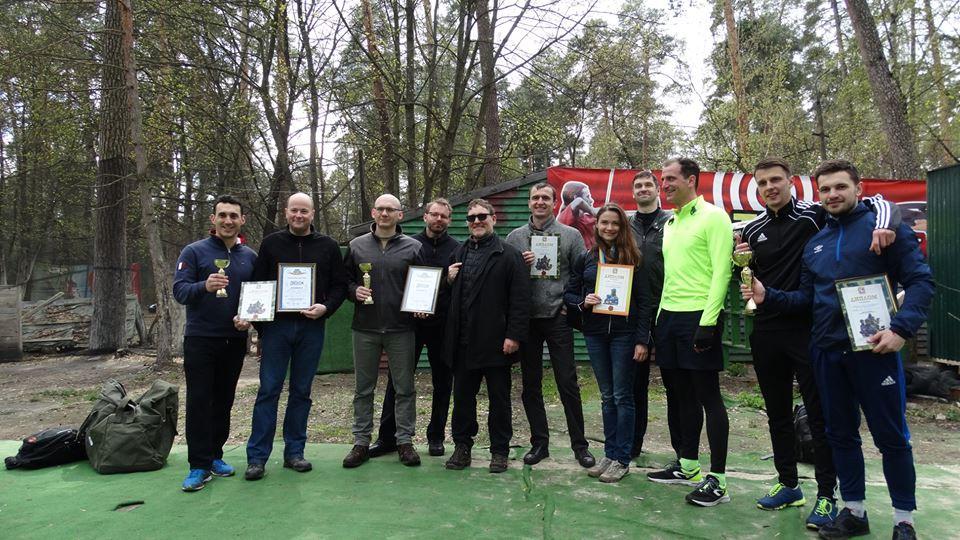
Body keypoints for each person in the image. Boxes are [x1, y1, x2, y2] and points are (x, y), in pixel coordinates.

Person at [742, 159, 933, 540]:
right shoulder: (816, 244)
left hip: (875, 353)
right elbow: (805, 299)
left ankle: (903, 519)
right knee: (840, 435)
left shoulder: (882, 229)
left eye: (840, 187)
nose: (832, 195)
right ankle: (854, 511)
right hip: (827, 353)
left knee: (892, 438)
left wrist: (901, 329)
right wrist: (767, 295)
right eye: (826, 189)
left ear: (858, 189)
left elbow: (920, 282)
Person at [646, 158, 733, 507]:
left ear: (691, 180)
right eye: (662, 179)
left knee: (708, 396)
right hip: (668, 319)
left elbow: (722, 273)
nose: (664, 185)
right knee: (680, 395)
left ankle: (719, 480)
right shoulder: (670, 223)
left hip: (700, 317)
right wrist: (658, 320)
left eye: (670, 179)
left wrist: (708, 323)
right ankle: (688, 465)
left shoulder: (714, 217)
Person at [244, 193, 348, 480]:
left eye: (304, 211)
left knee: (301, 391)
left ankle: (294, 452)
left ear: (312, 214)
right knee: (268, 390)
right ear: (286, 212)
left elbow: (340, 286)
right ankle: (257, 458)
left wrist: (326, 308)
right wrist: (262, 327)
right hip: (276, 329)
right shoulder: (271, 244)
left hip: (311, 328)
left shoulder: (328, 246)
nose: (298, 215)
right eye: (294, 210)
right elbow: (257, 284)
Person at [505, 183, 595, 469]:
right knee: (530, 384)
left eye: (545, 198)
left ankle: (580, 446)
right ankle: (539, 443)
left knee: (567, 382)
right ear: (529, 203)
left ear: (555, 203)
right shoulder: (515, 237)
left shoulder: (570, 235)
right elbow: (506, 277)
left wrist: (573, 303)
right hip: (527, 320)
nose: (540, 202)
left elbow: (581, 273)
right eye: (535, 198)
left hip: (558, 316)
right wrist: (519, 265)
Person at [173, 195, 257, 492]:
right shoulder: (194, 251)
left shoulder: (250, 257)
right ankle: (198, 465)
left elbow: (256, 296)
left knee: (224, 400)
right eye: (222, 215)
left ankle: (215, 455)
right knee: (199, 401)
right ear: (213, 219)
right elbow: (180, 291)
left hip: (234, 340)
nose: (228, 221)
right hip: (200, 339)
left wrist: (249, 319)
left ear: (242, 220)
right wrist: (204, 286)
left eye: (233, 215)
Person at [564, 203, 651, 482]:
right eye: (604, 223)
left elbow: (645, 302)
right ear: (597, 225)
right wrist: (583, 301)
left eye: (615, 223)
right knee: (607, 396)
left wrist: (642, 340)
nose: (609, 228)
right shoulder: (586, 257)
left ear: (622, 226)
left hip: (625, 335)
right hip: (596, 333)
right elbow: (569, 294)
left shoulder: (634, 258)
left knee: (623, 396)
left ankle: (622, 459)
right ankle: (609, 454)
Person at [368, 198, 459, 458]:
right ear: (425, 216)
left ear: (449, 220)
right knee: (397, 381)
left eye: (443, 216)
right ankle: (388, 437)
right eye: (434, 214)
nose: (438, 219)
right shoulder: (408, 244)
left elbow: (458, 287)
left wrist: (448, 281)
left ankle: (436, 437)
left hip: (442, 324)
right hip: (409, 324)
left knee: (443, 382)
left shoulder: (457, 249)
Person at [444, 199, 530, 473]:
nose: (477, 221)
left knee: (499, 400)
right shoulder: (458, 253)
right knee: (463, 400)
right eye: (472, 218)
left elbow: (520, 300)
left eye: (482, 216)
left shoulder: (509, 255)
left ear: (494, 219)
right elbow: (447, 298)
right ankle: (462, 446)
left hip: (496, 343)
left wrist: (513, 335)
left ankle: (499, 451)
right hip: (463, 342)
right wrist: (448, 280)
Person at [341, 194, 426, 468]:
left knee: (405, 388)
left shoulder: (414, 247)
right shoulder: (356, 246)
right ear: (373, 213)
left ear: (400, 214)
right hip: (364, 328)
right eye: (381, 209)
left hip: (401, 328)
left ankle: (405, 442)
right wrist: (354, 290)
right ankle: (360, 443)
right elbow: (344, 281)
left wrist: (422, 304)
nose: (385, 213)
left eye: (391, 209)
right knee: (363, 389)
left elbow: (423, 282)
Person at [628, 170, 692, 460]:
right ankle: (632, 446)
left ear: (657, 190)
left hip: (669, 310)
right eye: (638, 186)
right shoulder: (625, 225)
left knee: (675, 385)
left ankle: (683, 452)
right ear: (633, 193)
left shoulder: (673, 222)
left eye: (648, 184)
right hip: (633, 314)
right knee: (634, 384)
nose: (643, 189)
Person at [557, 181, 599, 250]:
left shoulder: (586, 218)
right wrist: (593, 211)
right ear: (575, 197)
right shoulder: (563, 217)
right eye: (587, 197)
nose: (591, 200)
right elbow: (578, 201)